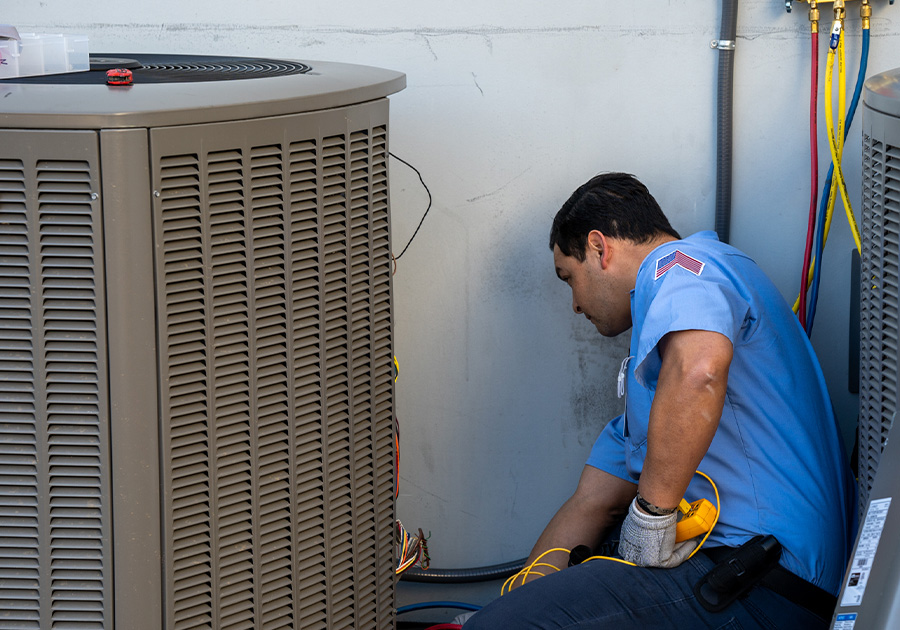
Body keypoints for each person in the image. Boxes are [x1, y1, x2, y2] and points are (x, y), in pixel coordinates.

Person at [463, 172, 856, 629]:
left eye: (568, 278)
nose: (573, 304)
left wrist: (651, 516)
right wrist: (510, 605)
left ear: (598, 247)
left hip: (764, 585)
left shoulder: (680, 264)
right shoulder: (649, 386)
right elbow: (593, 503)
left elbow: (699, 370)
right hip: (747, 579)